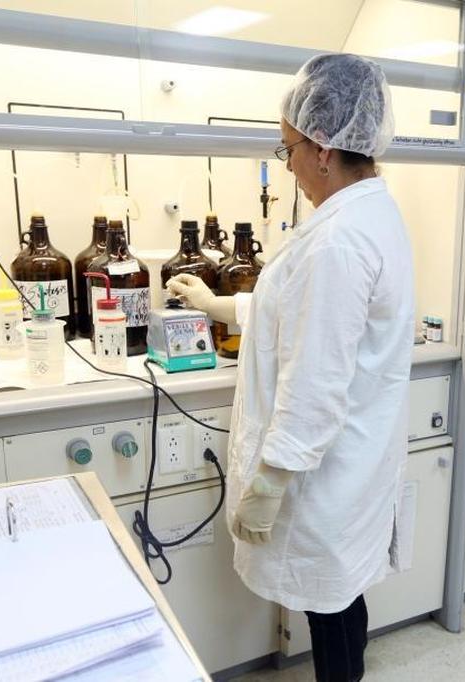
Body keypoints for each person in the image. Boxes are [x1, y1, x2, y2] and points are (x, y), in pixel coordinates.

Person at [167, 53, 413, 681]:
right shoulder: (367, 213)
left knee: (328, 608)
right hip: (351, 456)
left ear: (324, 147)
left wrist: (270, 485)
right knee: (341, 595)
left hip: (322, 469)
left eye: (289, 149)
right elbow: (303, 313)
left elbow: (315, 379)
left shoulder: (337, 239)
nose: (290, 166)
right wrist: (223, 304)